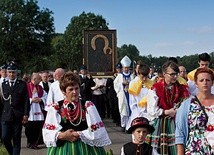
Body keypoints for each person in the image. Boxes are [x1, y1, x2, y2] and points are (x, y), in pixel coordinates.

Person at [42, 71, 111, 154]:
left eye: (76, 88)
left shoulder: (88, 106)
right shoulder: (56, 108)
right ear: (63, 91)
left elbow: (97, 130)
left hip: (86, 146)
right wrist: (63, 135)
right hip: (63, 148)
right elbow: (48, 132)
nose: (74, 92)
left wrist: (79, 134)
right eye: (71, 89)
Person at [146, 61, 189, 154]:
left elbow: (186, 104)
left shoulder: (181, 88)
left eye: (176, 74)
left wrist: (178, 110)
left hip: (178, 121)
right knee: (159, 149)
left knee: (179, 147)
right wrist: (166, 112)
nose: (175, 76)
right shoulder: (156, 88)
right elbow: (151, 110)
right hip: (162, 123)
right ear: (164, 74)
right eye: (172, 74)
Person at [175, 68, 214, 154]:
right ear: (196, 83)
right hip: (194, 150)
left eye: (208, 80)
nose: (205, 83)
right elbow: (180, 133)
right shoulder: (186, 105)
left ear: (212, 82)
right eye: (201, 80)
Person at [0, 63, 30, 155]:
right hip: (6, 115)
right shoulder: (3, 85)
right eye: (9, 72)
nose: (11, 74)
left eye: (13, 72)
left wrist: (26, 114)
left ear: (17, 73)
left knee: (16, 139)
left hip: (18, 116)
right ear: (7, 73)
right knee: (5, 138)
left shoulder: (22, 84)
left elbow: (26, 100)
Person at [126, 63, 154, 130]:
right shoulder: (133, 83)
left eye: (146, 76)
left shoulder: (151, 83)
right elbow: (132, 103)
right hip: (137, 114)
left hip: (149, 113)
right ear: (138, 74)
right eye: (142, 77)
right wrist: (138, 115)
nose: (144, 79)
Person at [25, 73, 47, 149]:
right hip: (30, 111)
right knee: (29, 128)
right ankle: (29, 142)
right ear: (34, 79)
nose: (40, 80)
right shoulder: (26, 87)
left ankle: (35, 143)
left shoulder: (40, 87)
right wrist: (31, 100)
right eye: (39, 79)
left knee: (37, 128)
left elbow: (45, 96)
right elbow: (22, 98)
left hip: (38, 110)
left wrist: (41, 99)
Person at [114, 56, 134, 132]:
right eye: (125, 68)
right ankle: (123, 125)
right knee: (123, 111)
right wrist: (122, 83)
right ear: (122, 68)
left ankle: (128, 126)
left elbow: (134, 84)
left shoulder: (132, 76)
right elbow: (115, 84)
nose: (126, 69)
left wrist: (129, 83)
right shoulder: (119, 76)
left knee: (130, 111)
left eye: (127, 68)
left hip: (130, 94)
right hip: (122, 95)